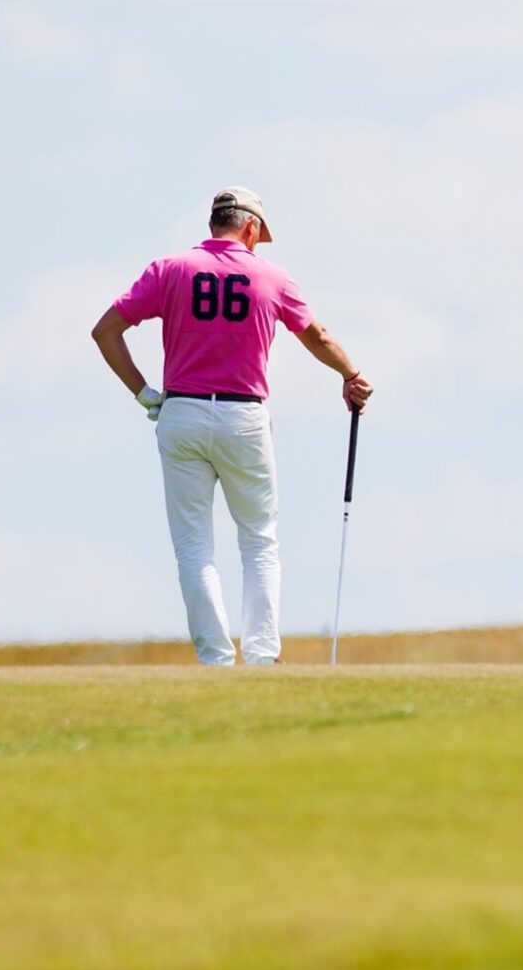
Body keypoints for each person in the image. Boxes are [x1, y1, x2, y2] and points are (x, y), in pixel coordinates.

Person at [90, 187, 373, 666]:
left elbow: (106, 331)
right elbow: (317, 336)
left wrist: (143, 393)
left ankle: (215, 660)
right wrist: (350, 375)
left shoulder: (170, 269)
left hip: (180, 413)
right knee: (259, 540)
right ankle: (262, 657)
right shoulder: (271, 277)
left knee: (193, 546)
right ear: (250, 228)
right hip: (244, 417)